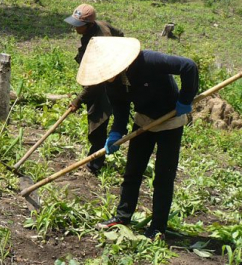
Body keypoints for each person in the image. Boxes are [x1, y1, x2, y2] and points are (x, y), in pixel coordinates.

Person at [76, 37, 198, 240]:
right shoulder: (111, 83)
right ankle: (122, 217)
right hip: (144, 121)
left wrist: (185, 99)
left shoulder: (148, 60)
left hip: (170, 121)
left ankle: (158, 227)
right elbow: (121, 109)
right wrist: (116, 132)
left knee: (163, 177)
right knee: (132, 171)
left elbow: (188, 66)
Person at [64, 4, 124, 175]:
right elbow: (120, 34)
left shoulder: (100, 42)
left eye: (78, 24)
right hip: (100, 77)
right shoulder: (98, 26)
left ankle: (95, 163)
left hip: (106, 82)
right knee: (96, 118)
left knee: (98, 120)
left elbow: (95, 82)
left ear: (89, 24)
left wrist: (78, 100)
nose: (74, 27)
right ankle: (94, 157)